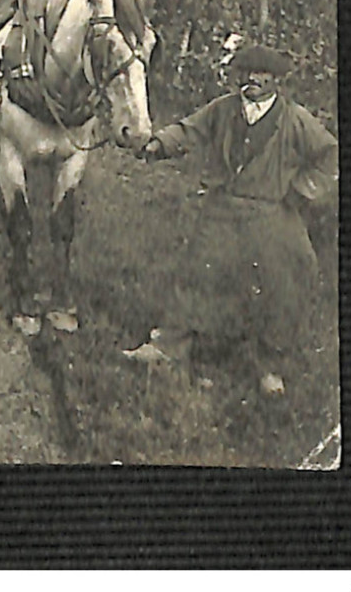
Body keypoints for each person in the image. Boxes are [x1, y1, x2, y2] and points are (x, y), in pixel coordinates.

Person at [136, 44, 339, 395]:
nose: (252, 80)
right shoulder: (225, 109)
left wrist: (303, 190)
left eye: (261, 74)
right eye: (245, 72)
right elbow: (190, 130)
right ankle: (170, 347)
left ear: (276, 80)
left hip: (271, 211)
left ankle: (270, 366)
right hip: (223, 206)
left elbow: (329, 155)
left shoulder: (294, 119)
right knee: (200, 274)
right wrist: (159, 145)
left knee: (288, 277)